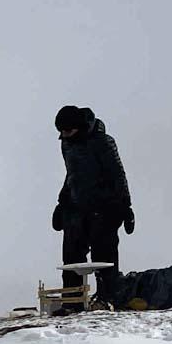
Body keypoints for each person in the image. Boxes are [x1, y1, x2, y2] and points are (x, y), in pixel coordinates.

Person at [52, 105, 133, 309]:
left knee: (104, 257)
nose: (64, 135)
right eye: (60, 132)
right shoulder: (67, 144)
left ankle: (107, 300)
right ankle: (72, 302)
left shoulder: (103, 142)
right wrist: (61, 203)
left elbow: (118, 175)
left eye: (67, 130)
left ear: (80, 127)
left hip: (104, 207)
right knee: (71, 258)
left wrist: (126, 207)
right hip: (75, 206)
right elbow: (71, 174)